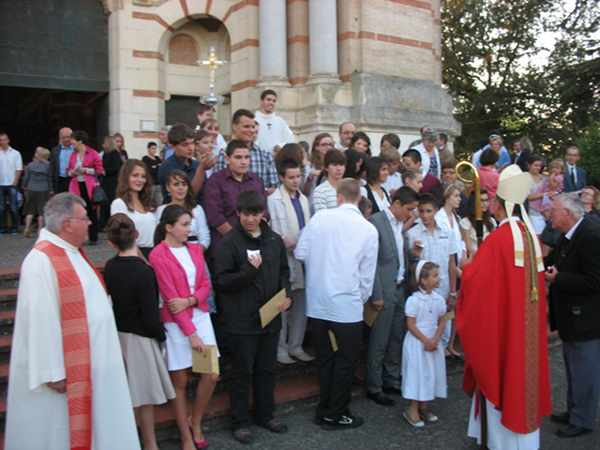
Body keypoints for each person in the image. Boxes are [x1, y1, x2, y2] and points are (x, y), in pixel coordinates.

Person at [5, 193, 140, 450]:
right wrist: (51, 371)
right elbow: (39, 318)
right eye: (85, 218)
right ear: (67, 224)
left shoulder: (71, 252)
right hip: (63, 377)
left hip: (95, 364)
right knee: (59, 435)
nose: (90, 223)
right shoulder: (40, 260)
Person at [457, 164, 551, 450]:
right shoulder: (529, 234)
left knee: (504, 376)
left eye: (495, 200)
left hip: (503, 333)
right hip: (524, 330)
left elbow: (476, 286)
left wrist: (467, 270)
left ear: (500, 204)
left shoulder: (499, 239)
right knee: (524, 378)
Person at [295, 178, 379, 430]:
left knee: (325, 360)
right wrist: (359, 299)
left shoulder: (320, 218)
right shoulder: (368, 230)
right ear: (359, 199)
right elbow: (367, 275)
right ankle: (336, 412)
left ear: (339, 197)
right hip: (347, 305)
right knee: (346, 362)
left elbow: (300, 252)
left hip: (318, 303)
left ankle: (325, 409)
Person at [214, 191, 292, 444]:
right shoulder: (228, 243)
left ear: (263, 214)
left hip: (270, 316)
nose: (250, 219)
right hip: (241, 320)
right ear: (238, 213)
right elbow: (221, 281)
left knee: (266, 370)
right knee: (241, 373)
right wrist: (248, 272)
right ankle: (240, 422)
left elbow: (284, 272)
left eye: (255, 214)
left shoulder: (274, 240)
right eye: (246, 214)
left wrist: (287, 295)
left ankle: (266, 415)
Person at [104, 213, 175, 450]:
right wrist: (161, 336)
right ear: (136, 235)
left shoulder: (110, 267)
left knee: (128, 395)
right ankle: (150, 443)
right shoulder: (144, 271)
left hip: (119, 336)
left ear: (111, 243)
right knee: (144, 398)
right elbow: (150, 314)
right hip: (142, 339)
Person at [149, 205, 218, 450]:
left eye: (190, 224)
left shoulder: (195, 249)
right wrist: (191, 334)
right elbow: (170, 298)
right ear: (169, 227)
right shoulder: (158, 255)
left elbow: (206, 284)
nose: (190, 229)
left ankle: (195, 421)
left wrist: (190, 301)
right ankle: (185, 436)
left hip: (199, 315)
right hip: (175, 323)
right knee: (179, 380)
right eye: (185, 225)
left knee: (211, 374)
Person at [546, 193, 600, 438]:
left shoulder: (591, 235)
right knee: (574, 368)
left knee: (584, 371)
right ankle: (575, 411)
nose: (549, 215)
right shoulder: (571, 233)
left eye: (553, 211)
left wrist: (559, 278)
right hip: (572, 317)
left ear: (567, 214)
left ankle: (583, 420)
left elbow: (594, 280)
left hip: (586, 319)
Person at [366, 187, 419, 406]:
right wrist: (376, 294)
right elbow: (371, 262)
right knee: (379, 340)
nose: (411, 214)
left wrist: (413, 256)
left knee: (396, 337)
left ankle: (391, 378)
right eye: (409, 209)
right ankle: (374, 385)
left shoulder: (399, 224)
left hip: (399, 287)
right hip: (384, 290)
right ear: (396, 204)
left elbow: (398, 255)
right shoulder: (376, 222)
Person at [268, 158, 313, 364]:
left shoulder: (303, 199)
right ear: (281, 178)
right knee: (283, 304)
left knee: (300, 304)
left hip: (302, 257)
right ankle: (281, 348)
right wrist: (285, 240)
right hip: (283, 257)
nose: (295, 181)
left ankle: (296, 345)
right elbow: (273, 228)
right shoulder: (274, 199)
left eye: (298, 177)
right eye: (291, 177)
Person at [401, 261, 448, 427]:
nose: (438, 278)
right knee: (417, 374)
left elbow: (442, 320)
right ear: (422, 280)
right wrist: (425, 340)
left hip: (433, 341)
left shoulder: (439, 299)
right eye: (434, 275)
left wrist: (435, 339)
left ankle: (424, 406)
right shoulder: (414, 300)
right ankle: (412, 409)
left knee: (430, 373)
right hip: (418, 342)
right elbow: (411, 324)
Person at [203, 139, 266, 257]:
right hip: (225, 245)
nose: (244, 162)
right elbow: (215, 217)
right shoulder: (215, 181)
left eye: (247, 157)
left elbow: (264, 212)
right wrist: (239, 239)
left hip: (255, 243)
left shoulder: (256, 181)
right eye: (238, 157)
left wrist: (254, 237)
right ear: (227, 159)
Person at [214, 109, 279, 190]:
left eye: (253, 127)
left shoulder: (265, 156)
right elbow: (218, 185)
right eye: (246, 126)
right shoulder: (224, 154)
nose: (251, 130)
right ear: (234, 127)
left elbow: (274, 187)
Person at [111, 159, 157, 258]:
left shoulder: (148, 203)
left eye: (143, 176)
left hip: (153, 253)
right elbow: (120, 237)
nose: (140, 180)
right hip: (132, 255)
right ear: (125, 177)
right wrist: (143, 261)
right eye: (135, 175)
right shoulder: (119, 204)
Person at [67, 130, 104, 244]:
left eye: (72, 139)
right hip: (76, 186)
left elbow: (100, 171)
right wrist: (72, 172)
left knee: (91, 212)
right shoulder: (73, 154)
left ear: (80, 141)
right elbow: (68, 170)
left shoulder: (93, 153)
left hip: (89, 187)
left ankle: (93, 237)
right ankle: (79, 237)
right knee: (77, 212)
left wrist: (85, 170)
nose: (71, 142)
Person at [156, 170, 210, 248]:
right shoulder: (161, 210)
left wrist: (196, 252)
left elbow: (204, 237)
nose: (181, 188)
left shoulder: (196, 209)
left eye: (184, 184)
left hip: (195, 249)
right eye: (176, 184)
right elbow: (159, 236)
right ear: (168, 187)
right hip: (169, 251)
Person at [158, 123, 205, 199]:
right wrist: (201, 170)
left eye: (192, 143)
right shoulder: (167, 167)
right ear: (173, 146)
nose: (190, 148)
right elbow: (186, 197)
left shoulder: (196, 164)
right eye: (185, 145)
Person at [22, 146, 52, 238]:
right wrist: (51, 189)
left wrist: (24, 186)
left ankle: (27, 228)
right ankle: (40, 230)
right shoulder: (48, 166)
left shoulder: (30, 165)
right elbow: (49, 178)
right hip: (44, 189)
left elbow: (26, 178)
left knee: (30, 210)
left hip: (31, 188)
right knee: (41, 211)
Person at [254, 89, 295, 154]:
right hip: (259, 157)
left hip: (278, 157)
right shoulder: (254, 120)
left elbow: (291, 139)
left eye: (274, 101)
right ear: (261, 101)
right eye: (268, 100)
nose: (271, 103)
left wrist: (280, 145)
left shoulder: (280, 121)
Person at [459, 189, 496, 256]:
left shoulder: (491, 221)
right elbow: (468, 248)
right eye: (481, 201)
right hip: (474, 258)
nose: (485, 204)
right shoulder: (465, 222)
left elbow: (495, 243)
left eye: (486, 200)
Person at [0, 131, 23, 234]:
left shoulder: (15, 153)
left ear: (8, 140)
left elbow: (19, 168)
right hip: (0, 184)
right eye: (0, 140)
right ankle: (2, 228)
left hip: (12, 184)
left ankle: (14, 228)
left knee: (14, 207)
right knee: (1, 208)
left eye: (4, 139)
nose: (2, 141)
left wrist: (15, 181)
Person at [101, 135, 123, 227]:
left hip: (113, 182)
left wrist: (105, 171)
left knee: (111, 202)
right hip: (106, 182)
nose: (103, 144)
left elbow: (116, 168)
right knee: (105, 203)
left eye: (105, 143)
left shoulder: (114, 153)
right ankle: (104, 223)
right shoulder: (105, 154)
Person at [304, 133, 335, 197]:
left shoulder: (337, 164)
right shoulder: (310, 165)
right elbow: (304, 191)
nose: (328, 147)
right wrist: (310, 176)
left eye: (330, 145)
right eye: (324, 145)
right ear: (316, 147)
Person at [526, 154, 550, 235]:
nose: (538, 168)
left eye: (539, 166)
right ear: (529, 165)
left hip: (543, 212)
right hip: (529, 211)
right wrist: (543, 194)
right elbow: (527, 197)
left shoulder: (544, 178)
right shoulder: (524, 178)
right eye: (535, 165)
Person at [49, 127, 74, 194]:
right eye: (63, 137)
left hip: (73, 180)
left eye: (68, 137)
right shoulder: (55, 150)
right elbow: (51, 169)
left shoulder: (77, 149)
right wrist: (51, 187)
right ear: (60, 138)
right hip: (59, 181)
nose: (66, 139)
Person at [142, 141, 163, 205]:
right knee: (149, 201)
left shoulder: (157, 158)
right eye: (153, 148)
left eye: (155, 148)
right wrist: (157, 167)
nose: (154, 150)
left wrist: (155, 167)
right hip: (151, 184)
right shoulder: (145, 159)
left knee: (160, 202)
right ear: (148, 149)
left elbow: (161, 169)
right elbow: (149, 170)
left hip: (158, 184)